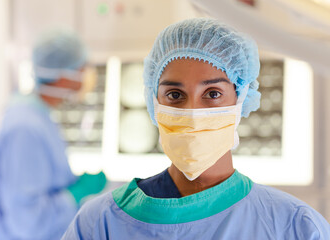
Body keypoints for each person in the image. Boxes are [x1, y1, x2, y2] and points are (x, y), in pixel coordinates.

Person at [62, 18, 330, 239]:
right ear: (153, 102)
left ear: (241, 98)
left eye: (213, 94)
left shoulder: (295, 227)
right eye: (175, 96)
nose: (193, 113)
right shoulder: (101, 223)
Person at [0, 30, 107, 240]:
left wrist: (72, 185)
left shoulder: (36, 115)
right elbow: (27, 222)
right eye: (81, 68)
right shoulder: (25, 127)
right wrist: (76, 194)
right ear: (62, 77)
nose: (87, 75)